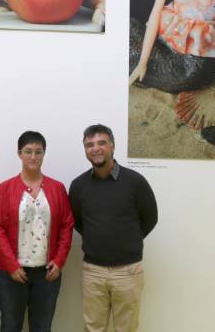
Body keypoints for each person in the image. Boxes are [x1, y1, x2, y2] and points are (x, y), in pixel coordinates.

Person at [68, 124, 158, 332]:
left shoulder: (135, 182)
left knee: (126, 328)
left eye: (101, 142)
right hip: (93, 271)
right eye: (89, 144)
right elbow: (78, 222)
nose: (95, 148)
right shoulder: (78, 185)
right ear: (85, 150)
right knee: (93, 328)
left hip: (128, 271)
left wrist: (127, 240)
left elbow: (150, 218)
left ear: (112, 146)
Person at [0, 131, 74, 332]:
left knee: (42, 327)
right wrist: (11, 265)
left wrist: (59, 261)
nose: (33, 157)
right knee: (10, 326)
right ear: (19, 154)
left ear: (44, 153)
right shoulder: (5, 188)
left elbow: (67, 225)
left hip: (47, 273)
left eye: (38, 151)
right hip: (11, 273)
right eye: (28, 151)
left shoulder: (57, 188)